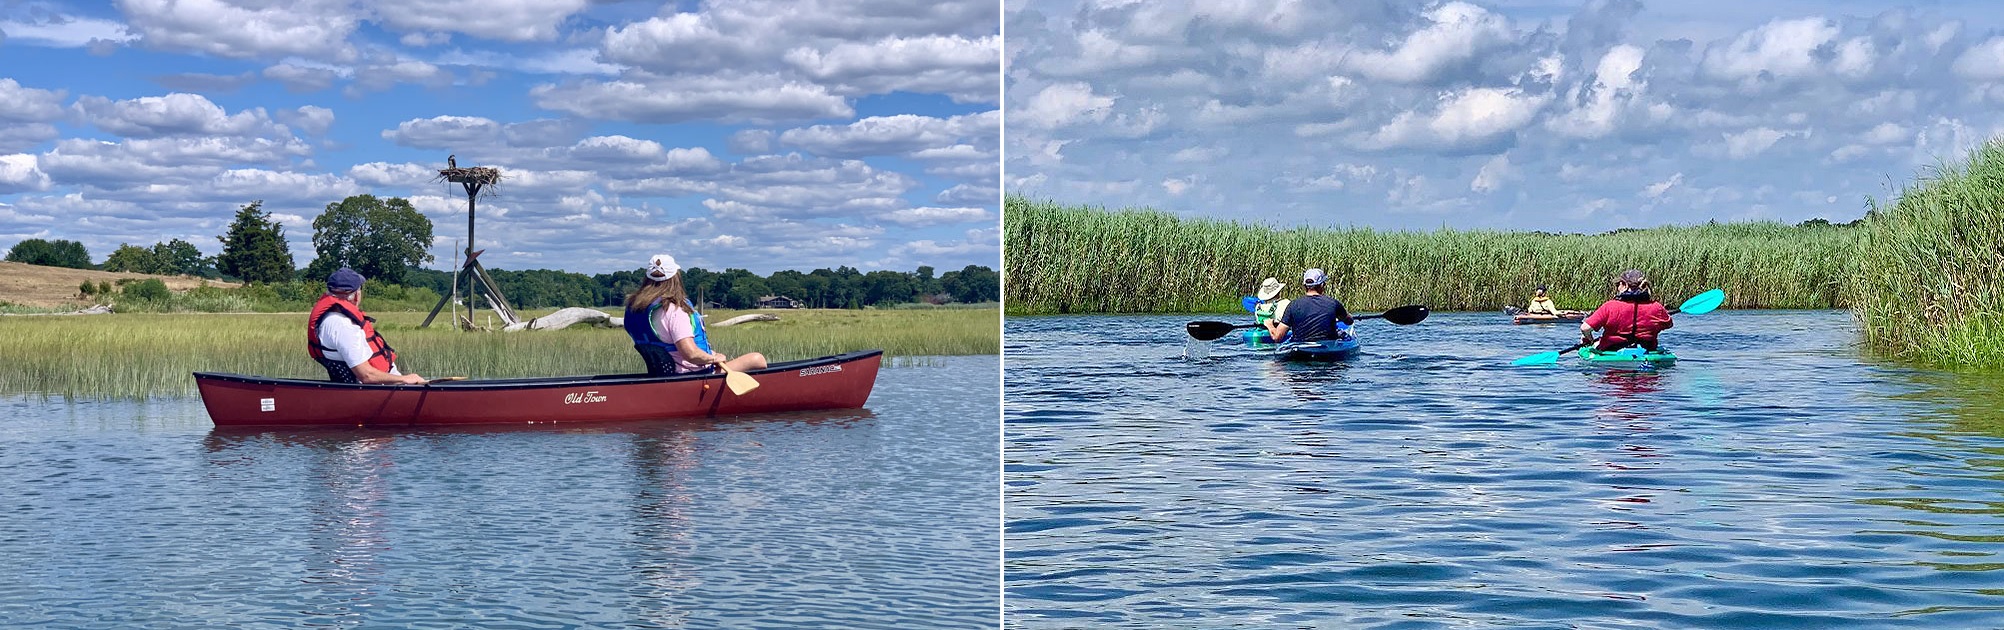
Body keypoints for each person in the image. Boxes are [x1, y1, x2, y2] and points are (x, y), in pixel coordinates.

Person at [623, 253, 767, 375]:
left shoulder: (633, 308)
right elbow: (690, 354)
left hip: (663, 374)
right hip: (692, 374)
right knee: (757, 359)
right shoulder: (674, 311)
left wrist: (709, 355)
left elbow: (668, 344)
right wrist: (713, 359)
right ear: (675, 278)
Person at [307, 267, 427, 384]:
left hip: (372, 389)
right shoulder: (344, 326)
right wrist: (404, 379)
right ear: (355, 296)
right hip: (377, 391)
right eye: (360, 289)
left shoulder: (328, 319)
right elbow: (366, 376)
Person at [1581, 269, 1673, 352]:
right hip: (1646, 350)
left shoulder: (1610, 306)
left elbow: (1585, 328)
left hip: (1613, 351)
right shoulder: (1657, 307)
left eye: (1618, 284)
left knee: (1589, 342)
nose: (1617, 287)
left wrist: (1590, 340)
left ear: (1624, 285)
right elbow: (1669, 324)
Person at [1265, 268, 1354, 343]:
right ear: (1322, 285)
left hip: (1301, 349)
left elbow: (1277, 337)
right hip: (1327, 351)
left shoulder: (1293, 305)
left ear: (1305, 286)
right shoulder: (1333, 304)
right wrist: (1344, 314)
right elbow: (1349, 321)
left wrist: (1269, 325)